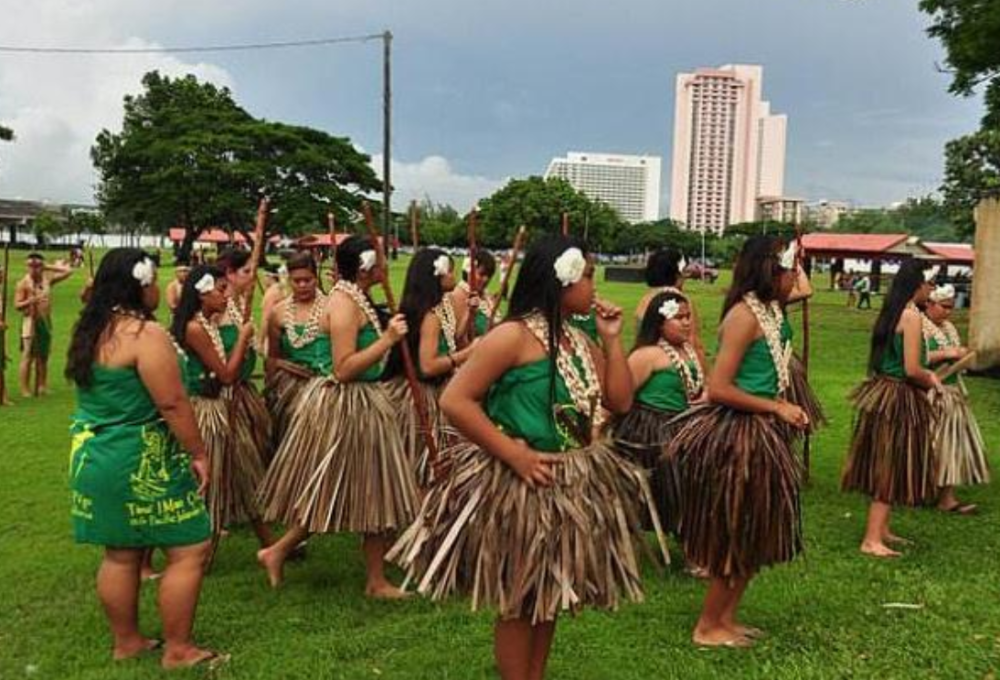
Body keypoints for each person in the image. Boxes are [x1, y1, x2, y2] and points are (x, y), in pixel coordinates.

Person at [389, 235, 659, 680]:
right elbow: (456, 400)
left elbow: (621, 401)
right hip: (523, 483)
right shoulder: (511, 337)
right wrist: (514, 454)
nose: (594, 285)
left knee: (550, 592)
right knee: (521, 597)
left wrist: (611, 342)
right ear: (562, 280)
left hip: (570, 481)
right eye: (588, 275)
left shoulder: (577, 338)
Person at [65, 248, 223, 669]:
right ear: (140, 284)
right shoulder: (142, 334)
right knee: (190, 546)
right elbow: (171, 402)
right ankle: (179, 650)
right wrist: (199, 452)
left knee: (120, 552)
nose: (158, 288)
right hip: (139, 459)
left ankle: (127, 642)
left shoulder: (92, 329)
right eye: (154, 280)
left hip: (93, 457)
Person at [664, 235, 809, 648]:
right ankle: (708, 626)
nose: (796, 276)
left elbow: (800, 290)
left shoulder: (772, 311)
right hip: (741, 434)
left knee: (756, 530)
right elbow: (720, 387)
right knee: (739, 528)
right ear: (769, 270)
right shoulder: (745, 316)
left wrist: (780, 407)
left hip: (764, 428)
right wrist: (776, 408)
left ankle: (726, 618)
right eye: (790, 268)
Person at [256, 236, 417, 597]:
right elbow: (344, 368)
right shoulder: (344, 304)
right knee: (337, 488)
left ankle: (373, 579)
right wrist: (388, 339)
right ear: (364, 267)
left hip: (364, 403)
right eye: (379, 262)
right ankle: (279, 551)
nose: (384, 267)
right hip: (348, 405)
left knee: (373, 488)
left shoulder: (351, 298)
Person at [841, 259, 942, 557]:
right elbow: (912, 368)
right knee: (890, 464)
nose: (931, 290)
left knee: (889, 461)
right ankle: (872, 539)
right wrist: (932, 379)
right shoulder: (910, 316)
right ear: (917, 285)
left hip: (884, 391)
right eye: (929, 284)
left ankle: (882, 529)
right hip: (898, 395)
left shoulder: (892, 311)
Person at [171, 264, 274, 553]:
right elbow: (226, 374)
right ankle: (200, 549)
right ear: (202, 294)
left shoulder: (207, 322)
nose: (226, 295)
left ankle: (270, 544)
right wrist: (242, 338)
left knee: (244, 471)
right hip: (206, 411)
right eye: (220, 289)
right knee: (211, 482)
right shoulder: (194, 328)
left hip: (220, 406)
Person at [613, 290, 706, 544]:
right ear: (660, 322)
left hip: (684, 422)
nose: (687, 322)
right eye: (679, 318)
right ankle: (690, 543)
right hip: (649, 430)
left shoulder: (689, 351)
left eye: (688, 317)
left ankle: (698, 538)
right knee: (680, 470)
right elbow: (621, 395)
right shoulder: (648, 355)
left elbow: (700, 384)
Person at [392, 248, 477, 484]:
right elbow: (428, 366)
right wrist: (467, 354)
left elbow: (450, 339)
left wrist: (469, 314)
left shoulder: (438, 307)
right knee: (429, 459)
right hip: (426, 392)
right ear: (437, 276)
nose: (454, 275)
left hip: (438, 387)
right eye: (450, 270)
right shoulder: (430, 315)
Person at [921, 284, 989, 513]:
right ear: (929, 304)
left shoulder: (949, 328)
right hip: (926, 393)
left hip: (951, 393)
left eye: (951, 307)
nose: (948, 312)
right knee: (929, 447)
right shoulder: (917, 325)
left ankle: (946, 497)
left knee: (951, 445)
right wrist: (947, 353)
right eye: (944, 307)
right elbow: (914, 359)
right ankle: (921, 490)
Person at [263, 253, 327, 447]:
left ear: (316, 279)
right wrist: (278, 366)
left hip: (325, 388)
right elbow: (272, 358)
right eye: (296, 281)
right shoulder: (279, 312)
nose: (302, 285)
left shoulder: (331, 308)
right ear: (288, 280)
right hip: (291, 389)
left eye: (307, 280)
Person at [15, 253, 72, 396]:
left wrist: (47, 266)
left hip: (45, 321)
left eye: (37, 266)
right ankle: (25, 389)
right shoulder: (23, 283)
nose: (34, 269)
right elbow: (17, 305)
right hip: (30, 321)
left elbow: (68, 272)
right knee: (28, 355)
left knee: (43, 356)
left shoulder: (47, 280)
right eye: (31, 266)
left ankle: (42, 386)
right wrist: (31, 301)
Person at [450, 250, 497, 338]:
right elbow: (458, 339)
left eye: (489, 275)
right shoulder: (458, 295)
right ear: (469, 272)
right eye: (482, 274)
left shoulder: (487, 296)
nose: (486, 279)